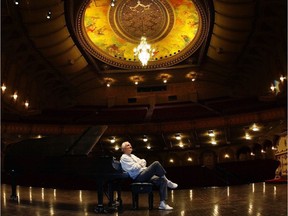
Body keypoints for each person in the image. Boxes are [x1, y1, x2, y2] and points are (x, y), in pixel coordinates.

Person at [120, 141, 178, 210]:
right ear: (123, 149)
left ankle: (163, 203)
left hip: (143, 173)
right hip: (138, 176)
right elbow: (134, 168)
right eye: (128, 145)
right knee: (156, 164)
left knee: (162, 180)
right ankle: (168, 181)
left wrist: (140, 163)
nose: (130, 146)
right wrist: (140, 164)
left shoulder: (132, 156)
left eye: (130, 145)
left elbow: (144, 161)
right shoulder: (124, 158)